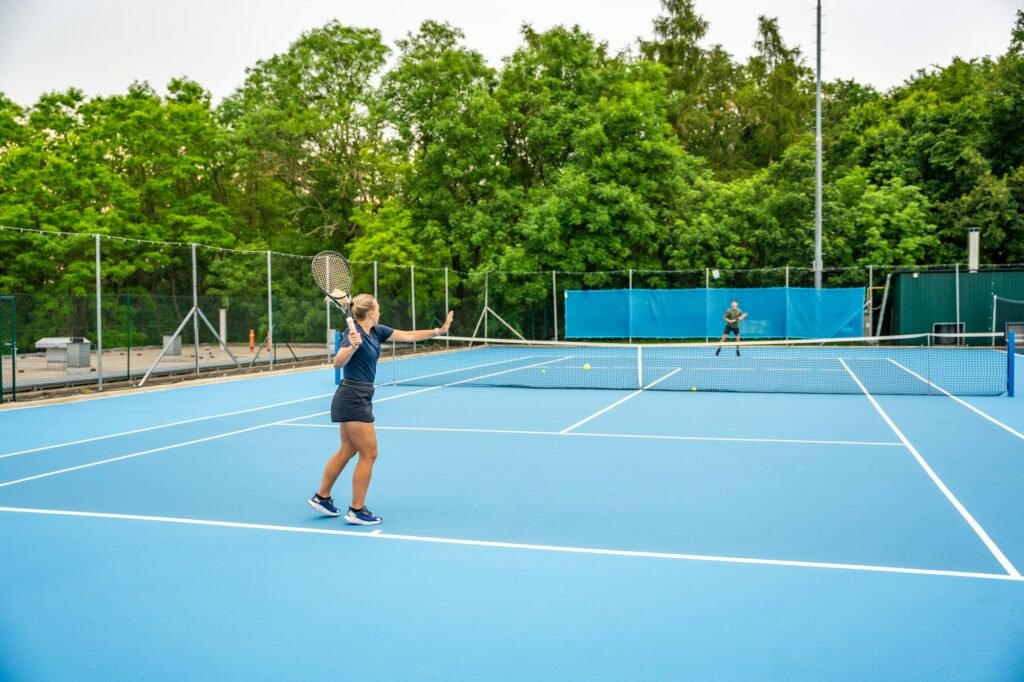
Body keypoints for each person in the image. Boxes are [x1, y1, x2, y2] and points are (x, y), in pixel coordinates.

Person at [308, 294, 454, 525]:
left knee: (347, 450)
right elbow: (337, 362)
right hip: (353, 397)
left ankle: (322, 497)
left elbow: (407, 335)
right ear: (371, 312)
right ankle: (357, 510)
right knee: (370, 453)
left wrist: (438, 330)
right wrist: (352, 347)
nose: (380, 311)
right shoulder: (352, 334)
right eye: (378, 308)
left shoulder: (376, 331)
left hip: (358, 395)